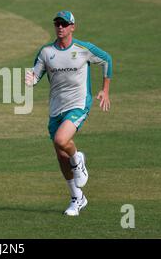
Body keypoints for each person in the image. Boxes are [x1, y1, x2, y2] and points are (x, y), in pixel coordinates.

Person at [25, 11, 112, 216]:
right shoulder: (46, 52)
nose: (60, 27)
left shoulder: (84, 49)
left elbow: (106, 59)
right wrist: (30, 80)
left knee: (61, 139)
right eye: (57, 23)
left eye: (64, 24)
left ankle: (78, 158)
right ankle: (77, 198)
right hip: (56, 108)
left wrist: (105, 89)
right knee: (60, 153)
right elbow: (36, 75)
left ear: (73, 27)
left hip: (78, 104)